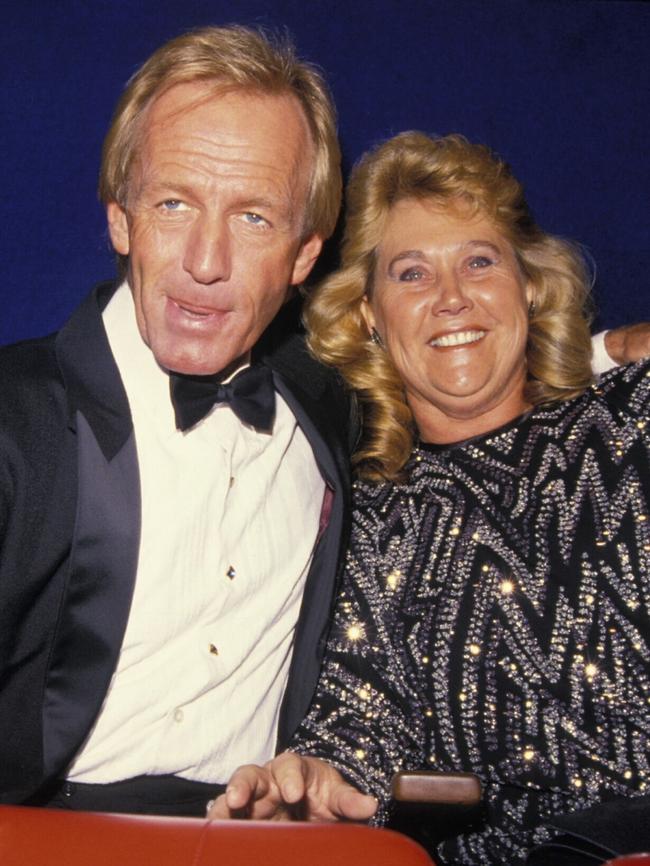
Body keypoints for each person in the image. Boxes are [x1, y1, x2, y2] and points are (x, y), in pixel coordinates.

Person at [213, 133, 650, 865]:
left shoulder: (631, 421)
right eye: (411, 274)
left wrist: (608, 350)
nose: (451, 298)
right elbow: (358, 722)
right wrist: (311, 783)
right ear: (370, 316)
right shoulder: (376, 521)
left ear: (530, 285)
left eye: (480, 261)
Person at [0, 24, 356, 816]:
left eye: (254, 218)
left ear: (303, 255)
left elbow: (456, 359)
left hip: (252, 836)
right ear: (121, 218)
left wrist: (601, 350)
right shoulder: (12, 419)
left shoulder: (329, 405)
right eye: (174, 202)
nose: (205, 260)